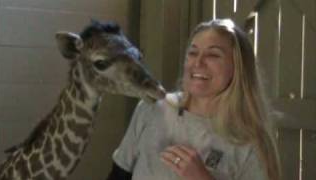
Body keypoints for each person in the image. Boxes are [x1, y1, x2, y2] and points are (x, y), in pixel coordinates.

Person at [106, 18, 281, 180]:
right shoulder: (151, 108)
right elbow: (118, 176)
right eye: (193, 53)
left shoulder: (251, 142)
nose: (198, 62)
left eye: (213, 55)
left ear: (238, 68)